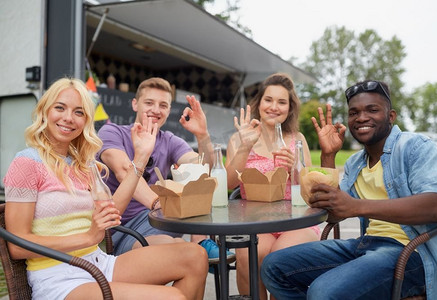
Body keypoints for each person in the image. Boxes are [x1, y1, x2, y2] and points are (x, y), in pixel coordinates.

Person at [3, 77, 208, 299]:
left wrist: (140, 158)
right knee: (173, 297)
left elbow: (111, 213)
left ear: (86, 120)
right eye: (60, 108)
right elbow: (18, 246)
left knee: (195, 255)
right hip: (59, 278)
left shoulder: (84, 164)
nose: (68, 118)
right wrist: (89, 237)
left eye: (79, 112)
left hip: (98, 264)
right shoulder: (27, 163)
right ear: (44, 111)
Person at [261, 80, 437, 300]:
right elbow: (335, 212)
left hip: (411, 253)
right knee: (273, 266)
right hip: (366, 245)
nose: (361, 117)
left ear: (391, 116)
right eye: (354, 112)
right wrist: (328, 155)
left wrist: (357, 206)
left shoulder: (414, 146)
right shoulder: (354, 163)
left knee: (323, 292)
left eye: (372, 110)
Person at [97, 77, 233, 262]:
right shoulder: (112, 132)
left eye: (163, 105)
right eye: (149, 103)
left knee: (199, 187)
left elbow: (203, 169)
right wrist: (157, 203)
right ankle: (199, 249)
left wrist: (202, 135)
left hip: (162, 219)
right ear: (135, 104)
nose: (156, 110)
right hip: (123, 229)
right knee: (187, 255)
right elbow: (123, 171)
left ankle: (201, 242)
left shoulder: (169, 140)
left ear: (169, 110)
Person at [225, 73, 321, 299]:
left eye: (282, 102)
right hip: (256, 222)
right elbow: (229, 184)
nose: (274, 107)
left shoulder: (297, 139)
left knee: (280, 259)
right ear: (259, 103)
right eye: (269, 100)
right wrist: (245, 148)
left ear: (290, 108)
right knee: (249, 256)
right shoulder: (239, 139)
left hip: (297, 220)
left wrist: (295, 167)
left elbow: (310, 188)